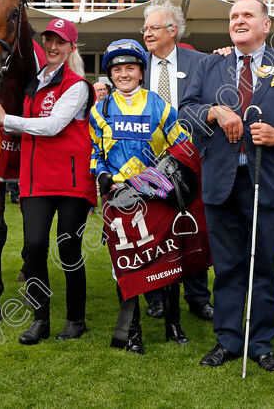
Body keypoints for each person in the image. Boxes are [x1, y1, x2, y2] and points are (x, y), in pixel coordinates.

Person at [179, 0, 274, 374]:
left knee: (265, 267)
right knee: (227, 267)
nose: (238, 21)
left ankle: (260, 343)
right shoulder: (211, 64)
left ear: (266, 24)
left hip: (268, 182)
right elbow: (186, 111)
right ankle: (227, 339)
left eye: (247, 15)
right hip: (221, 183)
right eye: (234, 16)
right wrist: (214, 110)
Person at [89, 39, 207, 354]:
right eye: (117, 69)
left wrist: (157, 179)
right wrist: (101, 175)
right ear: (110, 74)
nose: (124, 74)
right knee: (124, 267)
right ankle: (132, 333)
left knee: (166, 261)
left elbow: (180, 148)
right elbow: (95, 153)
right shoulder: (99, 110)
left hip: (157, 194)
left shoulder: (161, 107)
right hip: (119, 200)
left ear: (141, 72)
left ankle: (173, 325)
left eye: (130, 67)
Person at [0, 18, 95, 345]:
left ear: (71, 47)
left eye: (60, 41)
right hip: (35, 181)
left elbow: (52, 126)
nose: (52, 46)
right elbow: (26, 124)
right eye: (49, 39)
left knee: (68, 248)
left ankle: (76, 319)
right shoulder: (32, 82)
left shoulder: (77, 85)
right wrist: (0, 121)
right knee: (34, 248)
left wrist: (7, 119)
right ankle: (40, 319)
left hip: (72, 181)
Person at [139, 0, 212, 321]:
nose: (147, 34)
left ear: (173, 30)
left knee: (192, 229)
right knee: (153, 230)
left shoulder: (201, 63)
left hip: (190, 162)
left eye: (153, 28)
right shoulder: (136, 65)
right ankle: (154, 294)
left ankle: (197, 297)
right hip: (146, 164)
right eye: (145, 29)